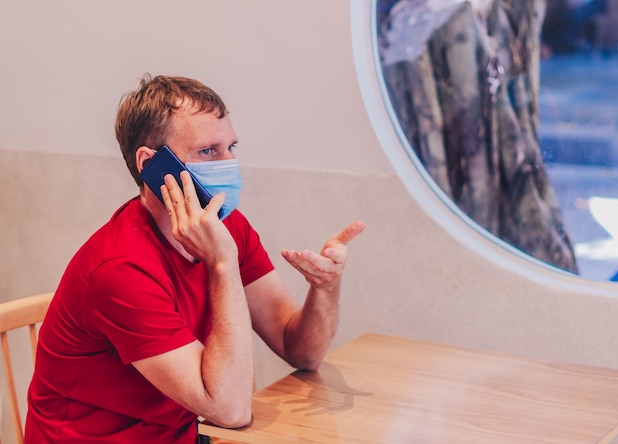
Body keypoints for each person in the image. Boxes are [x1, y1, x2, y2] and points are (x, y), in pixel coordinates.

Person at [24, 74, 365, 443]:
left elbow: (301, 352)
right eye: (208, 152)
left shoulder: (227, 228)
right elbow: (230, 410)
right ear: (150, 164)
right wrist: (222, 265)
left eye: (231, 148)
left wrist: (325, 288)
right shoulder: (120, 268)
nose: (228, 164)